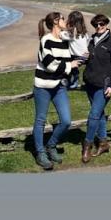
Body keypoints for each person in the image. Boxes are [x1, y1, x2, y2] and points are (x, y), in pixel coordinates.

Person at [31, 12, 83, 170]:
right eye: (62, 18)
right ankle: (40, 153)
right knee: (40, 120)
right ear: (55, 22)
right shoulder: (45, 40)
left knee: (66, 121)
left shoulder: (64, 38)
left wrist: (75, 20)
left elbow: (75, 35)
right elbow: (49, 64)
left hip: (59, 86)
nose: (64, 20)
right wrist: (70, 66)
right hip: (43, 86)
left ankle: (51, 145)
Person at [80, 14, 111, 162]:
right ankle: (104, 143)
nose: (99, 27)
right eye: (96, 25)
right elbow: (90, 60)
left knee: (93, 115)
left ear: (106, 24)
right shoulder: (91, 41)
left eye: (102, 24)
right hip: (90, 84)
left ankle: (87, 146)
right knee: (99, 114)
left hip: (103, 86)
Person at [60, 11, 90, 90]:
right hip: (85, 55)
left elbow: (61, 35)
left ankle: (73, 82)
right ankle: (74, 81)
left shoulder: (72, 33)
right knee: (73, 68)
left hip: (77, 56)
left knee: (68, 66)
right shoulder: (84, 32)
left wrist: (63, 26)